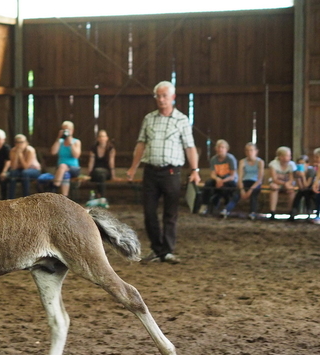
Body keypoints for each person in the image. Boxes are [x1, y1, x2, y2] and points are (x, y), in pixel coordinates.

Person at [127, 81, 200, 264]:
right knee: (149, 213)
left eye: (164, 96)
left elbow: (189, 147)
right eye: (158, 96)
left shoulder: (182, 120)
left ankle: (167, 251)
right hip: (150, 171)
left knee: (171, 212)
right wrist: (133, 167)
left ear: (173, 98)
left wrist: (195, 170)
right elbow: (141, 143)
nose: (161, 99)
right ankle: (157, 249)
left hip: (171, 172)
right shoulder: (149, 119)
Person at [223, 142, 265, 220]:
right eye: (247, 151)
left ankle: (253, 212)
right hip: (245, 182)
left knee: (254, 194)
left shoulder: (260, 162)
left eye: (251, 150)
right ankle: (226, 210)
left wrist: (249, 191)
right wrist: (242, 190)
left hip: (255, 183)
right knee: (236, 194)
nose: (249, 153)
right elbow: (240, 178)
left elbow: (260, 179)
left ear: (256, 151)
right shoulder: (242, 162)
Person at [199, 139, 237, 217]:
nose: (220, 149)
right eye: (219, 147)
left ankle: (225, 208)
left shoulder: (230, 159)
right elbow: (212, 174)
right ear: (216, 149)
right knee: (208, 183)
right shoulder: (214, 159)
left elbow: (232, 176)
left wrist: (222, 181)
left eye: (222, 147)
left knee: (226, 187)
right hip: (219, 178)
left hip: (229, 179)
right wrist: (217, 179)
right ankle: (204, 205)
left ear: (226, 149)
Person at [50, 121, 81, 197]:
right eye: (64, 130)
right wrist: (58, 138)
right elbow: (53, 152)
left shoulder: (76, 142)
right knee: (65, 174)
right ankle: (65, 197)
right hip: (61, 170)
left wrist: (70, 143)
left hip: (74, 168)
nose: (66, 132)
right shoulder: (60, 142)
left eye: (68, 130)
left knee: (63, 166)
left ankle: (54, 187)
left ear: (72, 131)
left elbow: (76, 155)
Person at [6, 134, 41, 199]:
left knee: (25, 173)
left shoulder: (30, 150)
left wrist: (20, 155)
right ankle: (10, 199)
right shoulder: (13, 151)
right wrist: (16, 155)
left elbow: (26, 167)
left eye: (21, 142)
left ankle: (26, 198)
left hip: (34, 170)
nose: (19, 144)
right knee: (12, 173)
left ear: (26, 142)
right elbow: (13, 167)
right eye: (17, 142)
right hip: (20, 169)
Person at [87, 129, 115, 208]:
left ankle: (100, 196)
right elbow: (91, 162)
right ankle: (102, 197)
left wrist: (113, 176)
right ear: (97, 138)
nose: (102, 138)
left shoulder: (111, 148)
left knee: (102, 174)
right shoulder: (93, 148)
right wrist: (89, 174)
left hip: (106, 172)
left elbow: (111, 162)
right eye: (100, 136)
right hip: (95, 172)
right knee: (99, 173)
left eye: (103, 136)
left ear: (107, 138)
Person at [267, 146, 296, 219]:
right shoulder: (273, 164)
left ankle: (291, 212)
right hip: (277, 182)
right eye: (287, 155)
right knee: (274, 188)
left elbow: (291, 178)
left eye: (290, 155)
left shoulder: (291, 164)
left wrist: (287, 184)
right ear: (281, 156)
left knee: (291, 191)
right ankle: (272, 212)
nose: (289, 157)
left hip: (287, 182)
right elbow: (274, 179)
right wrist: (284, 183)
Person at [290, 154, 315, 219]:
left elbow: (307, 185)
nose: (301, 165)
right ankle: (294, 211)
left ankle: (307, 211)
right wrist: (299, 177)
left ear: (307, 164)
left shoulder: (311, 171)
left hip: (311, 188)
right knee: (300, 193)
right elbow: (301, 187)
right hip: (303, 189)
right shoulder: (296, 172)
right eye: (299, 164)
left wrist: (303, 176)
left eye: (303, 163)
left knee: (306, 193)